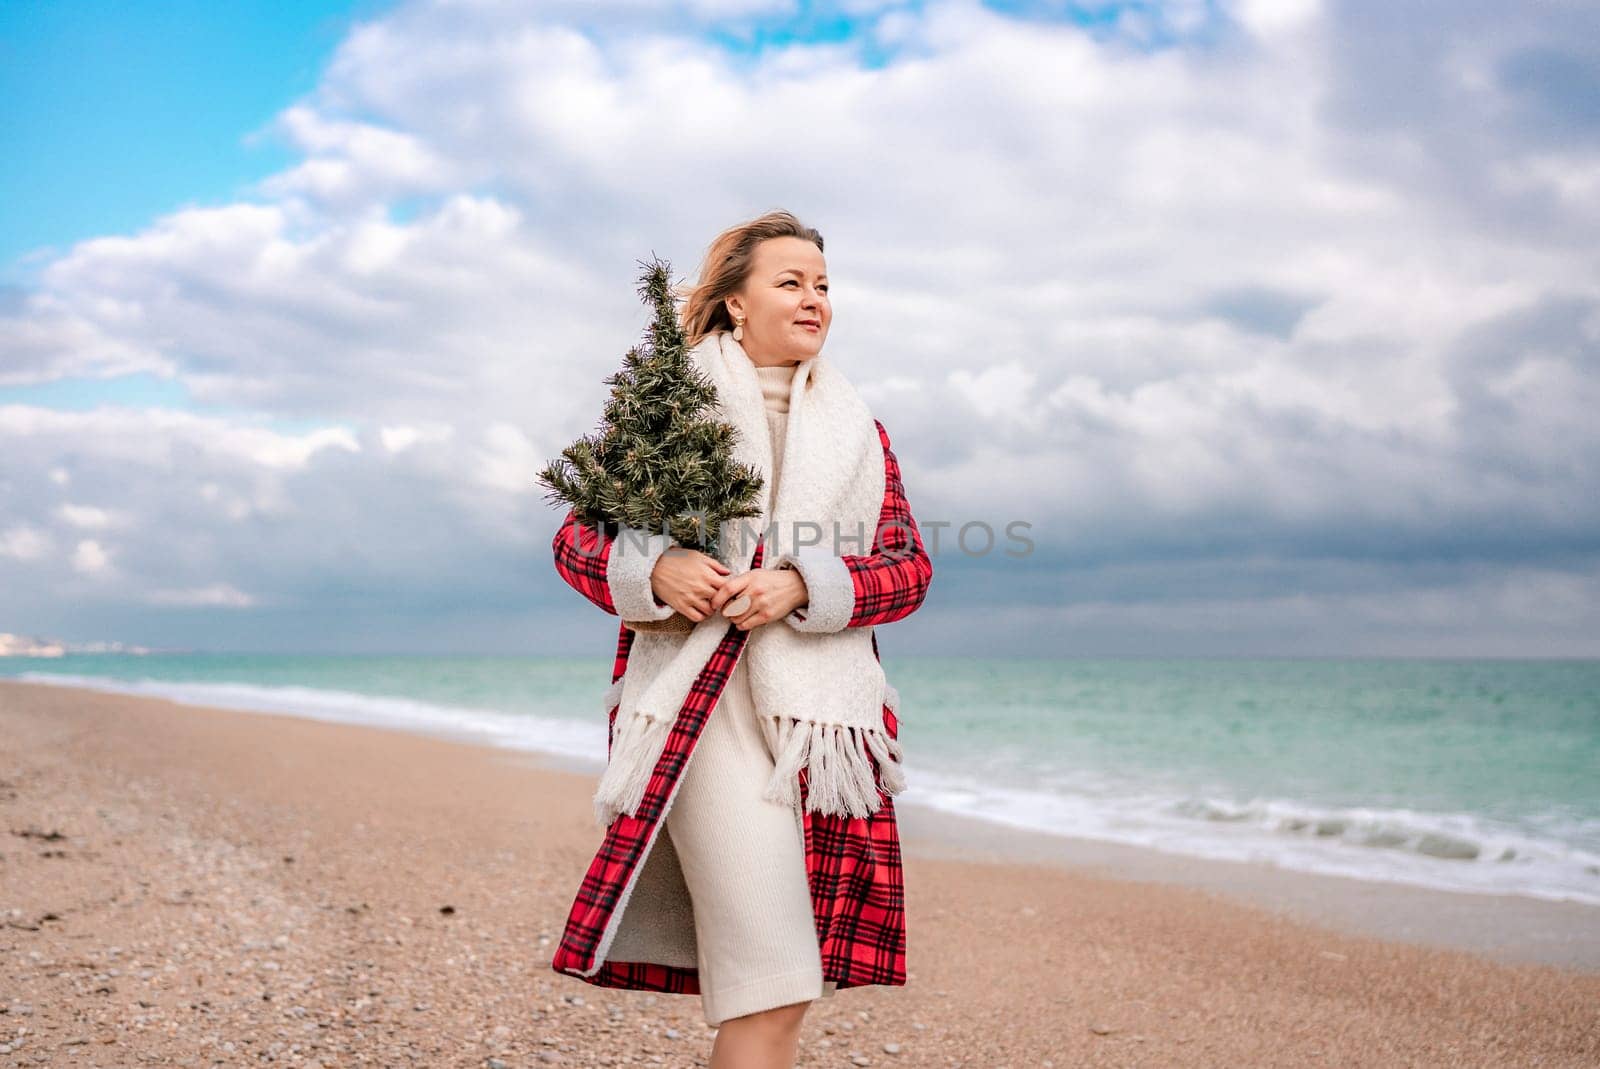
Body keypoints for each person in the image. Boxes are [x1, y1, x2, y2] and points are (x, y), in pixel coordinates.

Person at [550, 209, 933, 1069]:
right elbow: (577, 540)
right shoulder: (667, 413)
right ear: (734, 304)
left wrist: (806, 583)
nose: (815, 300)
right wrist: (655, 572)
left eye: (824, 285)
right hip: (697, 714)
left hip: (814, 731)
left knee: (785, 988)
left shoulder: (860, 430)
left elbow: (909, 568)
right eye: (791, 282)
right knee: (775, 979)